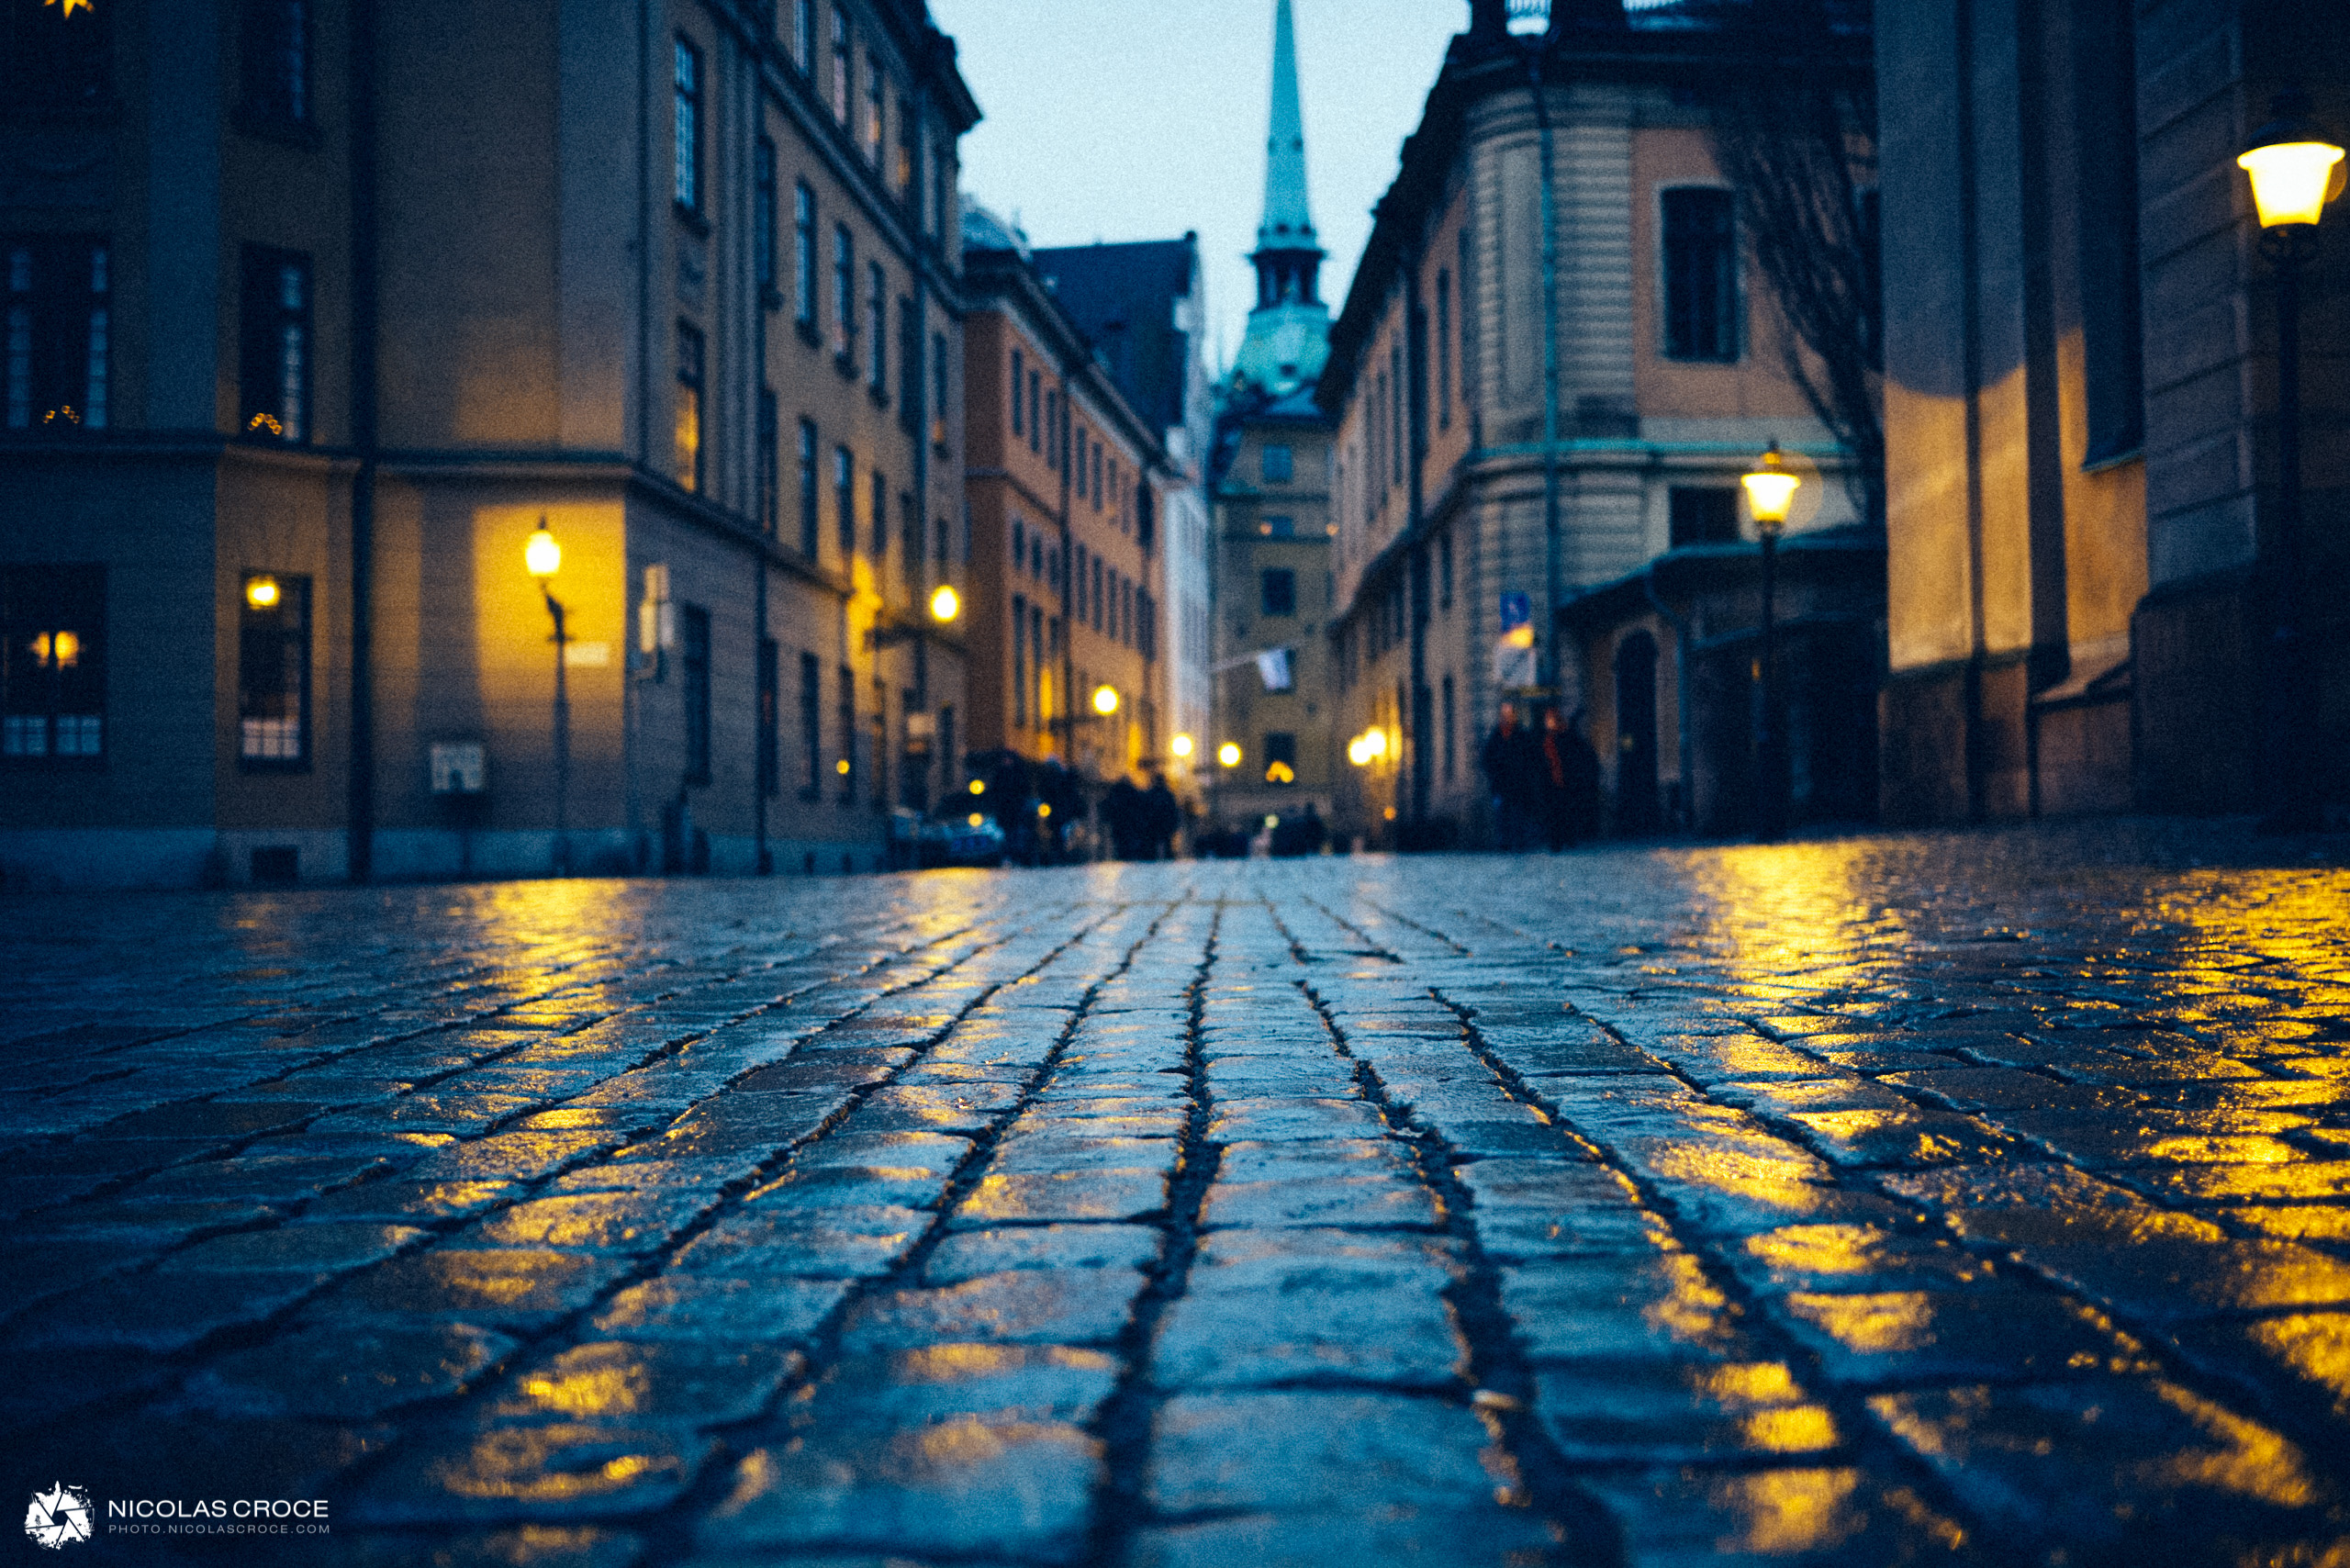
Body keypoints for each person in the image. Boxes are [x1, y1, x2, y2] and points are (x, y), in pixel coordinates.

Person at [1481, 701, 1544, 850]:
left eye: (1509, 714)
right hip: (1501, 785)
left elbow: (1532, 758)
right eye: (1504, 714)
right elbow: (1486, 759)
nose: (1507, 717)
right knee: (1502, 815)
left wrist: (1527, 775)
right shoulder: (1495, 736)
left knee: (1519, 815)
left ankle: (1519, 842)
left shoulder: (1522, 735)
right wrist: (1494, 775)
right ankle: (1505, 843)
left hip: (1519, 785)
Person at [1143, 771, 1181, 860]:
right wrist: (1174, 825)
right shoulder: (1168, 794)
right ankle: (1167, 860)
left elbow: (1145, 811)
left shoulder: (1150, 794)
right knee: (1166, 845)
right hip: (1164, 825)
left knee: (1153, 846)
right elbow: (1173, 810)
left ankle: (1154, 861)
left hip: (1153, 825)